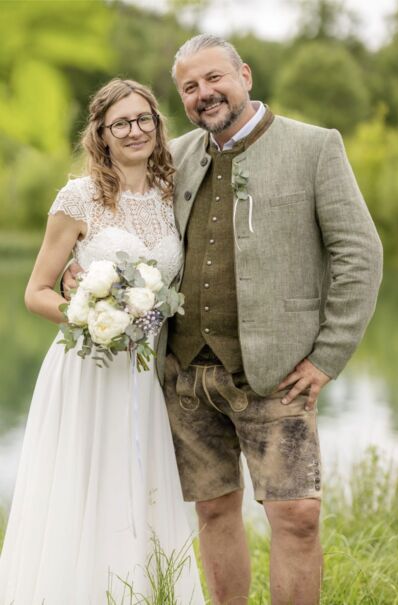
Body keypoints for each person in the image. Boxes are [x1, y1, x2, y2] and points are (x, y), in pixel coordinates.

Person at [63, 35, 383, 605]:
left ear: (246, 75)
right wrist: (75, 273)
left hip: (279, 372)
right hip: (184, 375)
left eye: (215, 79)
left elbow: (360, 255)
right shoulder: (176, 156)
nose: (204, 94)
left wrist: (328, 357)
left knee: (298, 518)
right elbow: (123, 221)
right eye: (190, 87)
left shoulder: (314, 147)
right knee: (212, 511)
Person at [0, 79, 204, 605]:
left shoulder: (172, 194)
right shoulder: (78, 198)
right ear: (102, 134)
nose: (135, 131)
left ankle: (141, 592)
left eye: (144, 120)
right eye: (121, 123)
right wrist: (90, 316)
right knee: (84, 484)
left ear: (158, 127)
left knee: (138, 486)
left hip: (145, 370)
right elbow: (36, 292)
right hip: (89, 368)